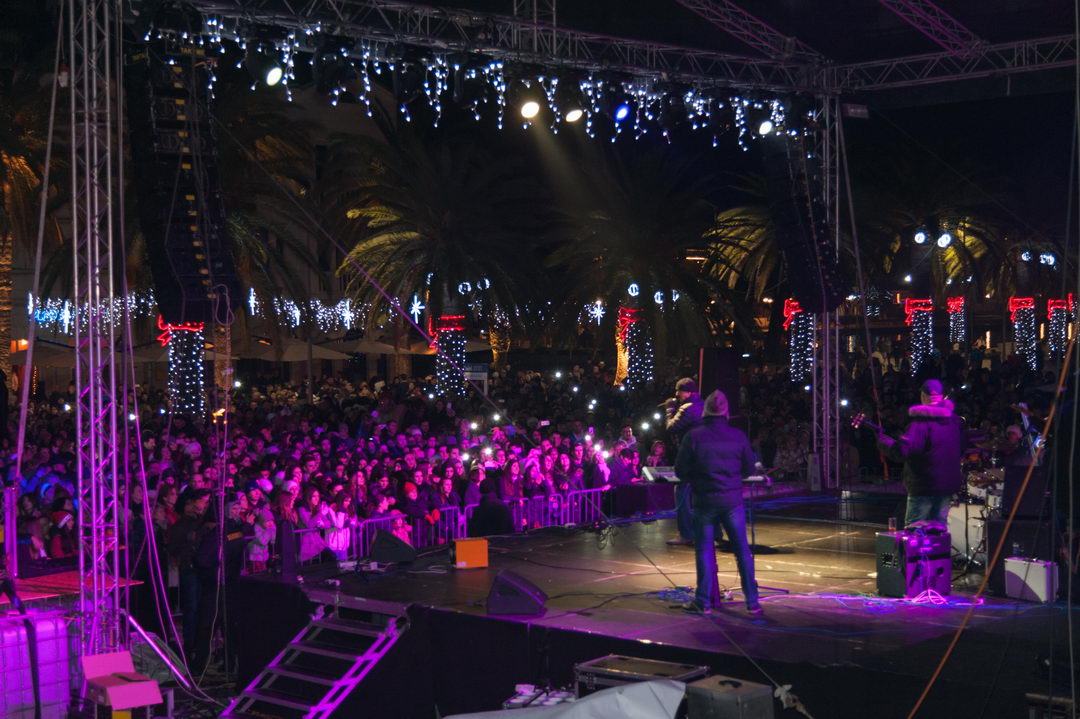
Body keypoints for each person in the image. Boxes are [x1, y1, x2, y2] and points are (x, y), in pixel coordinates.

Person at [674, 390, 761, 615]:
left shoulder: (693, 436)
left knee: (704, 551)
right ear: (726, 412)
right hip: (732, 501)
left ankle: (703, 602)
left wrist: (697, 476)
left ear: (705, 411)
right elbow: (749, 469)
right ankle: (752, 602)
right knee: (742, 550)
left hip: (704, 500)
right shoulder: (738, 436)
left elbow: (680, 470)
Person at [877, 378, 964, 526]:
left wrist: (883, 442)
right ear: (941, 396)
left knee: (915, 531)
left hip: (923, 486)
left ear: (923, 396)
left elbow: (902, 452)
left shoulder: (920, 424)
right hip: (947, 485)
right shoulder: (955, 422)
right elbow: (961, 448)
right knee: (939, 530)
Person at [665, 377, 703, 546]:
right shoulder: (702, 405)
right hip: (702, 456)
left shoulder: (687, 408)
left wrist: (669, 410)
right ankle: (712, 532)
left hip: (689, 457)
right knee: (702, 495)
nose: (676, 394)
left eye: (679, 391)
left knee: (681, 491)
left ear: (687, 392)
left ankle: (686, 533)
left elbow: (671, 427)